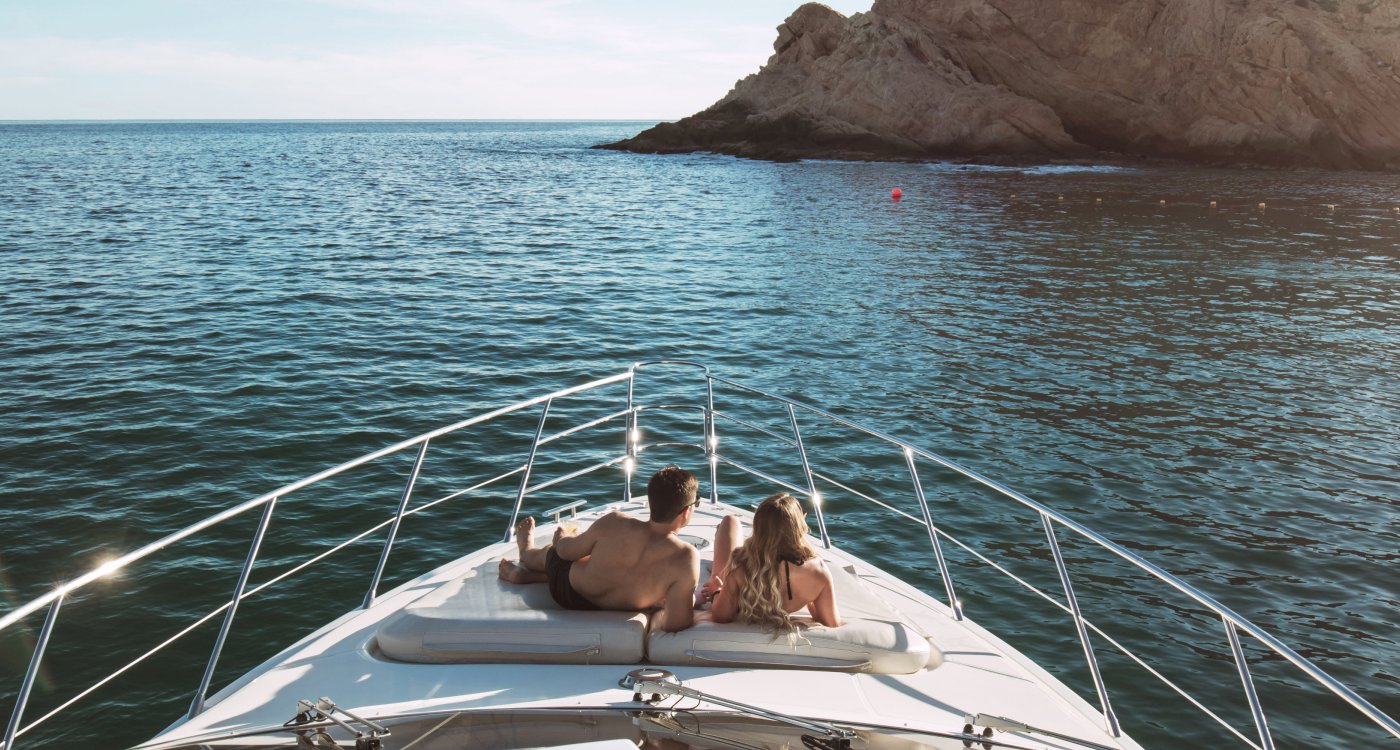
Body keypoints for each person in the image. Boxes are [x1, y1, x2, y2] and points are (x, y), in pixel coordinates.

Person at [498, 465, 701, 632]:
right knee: (587, 562)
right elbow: (677, 623)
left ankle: (527, 552)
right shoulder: (685, 558)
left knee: (553, 554)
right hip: (622, 608)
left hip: (570, 595)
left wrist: (561, 539)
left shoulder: (615, 523)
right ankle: (528, 564)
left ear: (651, 502)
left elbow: (566, 552)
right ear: (686, 512)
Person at [702, 492, 841, 633]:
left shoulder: (741, 566)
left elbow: (721, 617)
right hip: (798, 581)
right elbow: (831, 623)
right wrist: (812, 599)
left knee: (729, 522)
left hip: (747, 584)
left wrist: (716, 592)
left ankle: (715, 574)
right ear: (799, 527)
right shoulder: (818, 571)